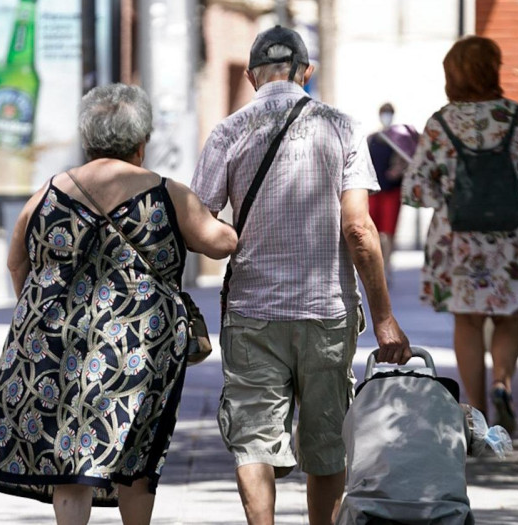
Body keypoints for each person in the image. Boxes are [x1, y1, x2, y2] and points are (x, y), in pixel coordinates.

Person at [0, 84, 237, 525]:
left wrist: (45, 316)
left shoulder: (47, 193)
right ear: (141, 142)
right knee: (137, 457)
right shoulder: (167, 193)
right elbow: (220, 243)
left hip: (59, 345)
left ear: (87, 139)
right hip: (140, 347)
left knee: (69, 460)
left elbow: (17, 263)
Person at [191, 26, 411, 525]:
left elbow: (199, 225)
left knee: (253, 445)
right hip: (327, 313)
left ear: (250, 78)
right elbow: (358, 228)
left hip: (252, 314)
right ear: (307, 72)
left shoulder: (228, 131)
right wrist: (384, 320)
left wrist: (229, 238)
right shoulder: (343, 127)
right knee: (327, 445)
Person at [402, 36, 518, 436]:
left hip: (458, 238)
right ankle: (502, 384)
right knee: (509, 317)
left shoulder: (441, 124)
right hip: (509, 235)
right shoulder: (515, 117)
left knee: (469, 322)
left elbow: (415, 190)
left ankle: (476, 414)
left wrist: (446, 189)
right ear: (491, 69)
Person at [366, 103, 419, 278]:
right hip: (374, 191)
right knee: (373, 230)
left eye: (388, 113)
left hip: (392, 191)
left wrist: (397, 171)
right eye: (384, 113)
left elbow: (408, 160)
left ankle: (386, 266)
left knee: (388, 231)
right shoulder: (373, 138)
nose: (386, 116)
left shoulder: (399, 138)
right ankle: (376, 263)